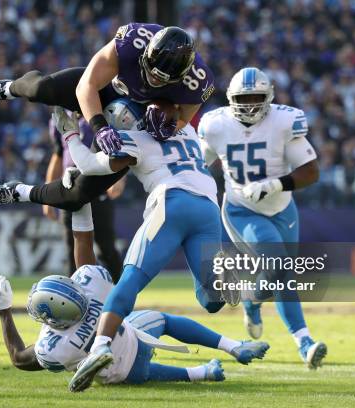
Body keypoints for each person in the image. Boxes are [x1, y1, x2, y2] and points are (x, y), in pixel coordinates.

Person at [44, 101, 249, 392]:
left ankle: (101, 345)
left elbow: (89, 165)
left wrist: (70, 135)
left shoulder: (135, 138)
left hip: (170, 204)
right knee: (211, 300)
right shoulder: (187, 131)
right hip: (206, 206)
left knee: (130, 279)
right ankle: (226, 278)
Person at [0, 203, 269, 388]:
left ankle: (200, 372)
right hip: (132, 336)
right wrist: (80, 202)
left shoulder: (51, 349)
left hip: (123, 375)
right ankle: (233, 346)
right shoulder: (93, 286)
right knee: (162, 321)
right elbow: (83, 242)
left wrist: (3, 309)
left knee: (136, 372)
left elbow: (18, 358)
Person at [0, 23, 215, 212]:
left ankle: (17, 192)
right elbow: (87, 85)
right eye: (151, 71)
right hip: (106, 91)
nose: (154, 79)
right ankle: (4, 89)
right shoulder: (132, 40)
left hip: (136, 124)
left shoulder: (198, 82)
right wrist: (99, 127)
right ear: (147, 52)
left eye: (163, 79)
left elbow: (182, 120)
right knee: (43, 89)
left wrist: (163, 123)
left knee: (77, 196)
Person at [198, 67, 327, 369]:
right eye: (244, 98)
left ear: (269, 97)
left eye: (257, 97)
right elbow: (198, 165)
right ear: (231, 99)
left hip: (283, 208)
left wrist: (275, 183)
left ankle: (250, 299)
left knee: (277, 276)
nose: (251, 104)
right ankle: (304, 342)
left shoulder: (284, 122)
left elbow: (311, 172)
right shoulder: (215, 125)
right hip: (242, 210)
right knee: (282, 270)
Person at [44, 114, 123, 281]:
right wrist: (47, 195)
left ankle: (121, 295)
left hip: (98, 185)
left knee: (106, 248)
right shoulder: (59, 117)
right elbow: (58, 155)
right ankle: (75, 298)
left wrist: (119, 178)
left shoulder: (98, 113)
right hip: (69, 187)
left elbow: (118, 148)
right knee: (71, 247)